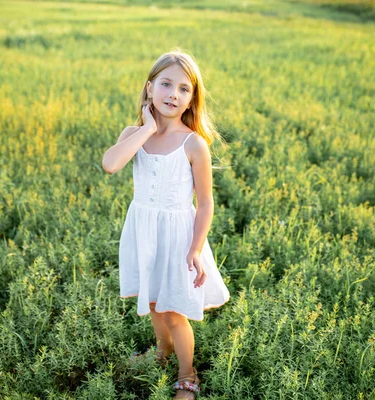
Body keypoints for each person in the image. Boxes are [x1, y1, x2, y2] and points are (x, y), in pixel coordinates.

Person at [102, 48, 231, 399]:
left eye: (184, 89)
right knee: (156, 304)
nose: (173, 94)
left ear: (191, 100)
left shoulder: (194, 144)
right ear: (149, 89)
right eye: (165, 84)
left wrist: (196, 248)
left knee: (174, 311)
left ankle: (188, 375)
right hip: (144, 232)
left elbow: (205, 203)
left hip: (178, 237)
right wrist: (146, 128)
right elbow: (111, 164)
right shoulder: (134, 132)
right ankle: (161, 355)